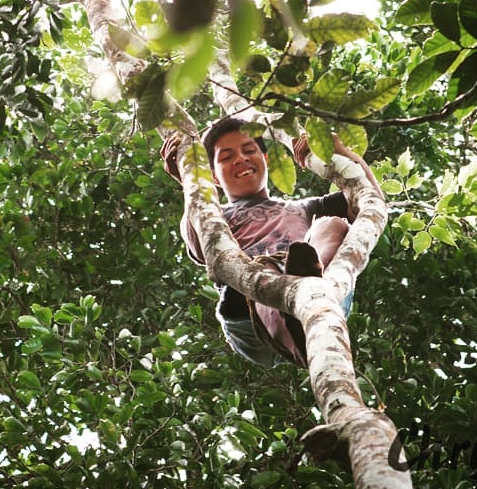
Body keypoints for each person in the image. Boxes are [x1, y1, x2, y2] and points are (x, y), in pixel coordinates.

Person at [160, 117, 383, 368]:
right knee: (264, 270)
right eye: (226, 157)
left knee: (333, 224)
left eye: (249, 150)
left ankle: (305, 295)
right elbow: (201, 246)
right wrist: (190, 183)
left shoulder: (306, 208)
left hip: (317, 300)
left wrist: (340, 152)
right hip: (249, 314)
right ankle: (298, 335)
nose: (241, 159)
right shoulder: (214, 216)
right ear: (212, 176)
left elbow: (368, 199)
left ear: (265, 159)